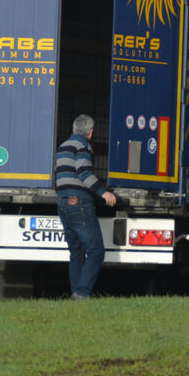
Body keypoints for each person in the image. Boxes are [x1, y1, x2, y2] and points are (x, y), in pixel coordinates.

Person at [54, 114, 117, 299]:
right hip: (79, 203)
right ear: (90, 133)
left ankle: (76, 293)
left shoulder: (63, 146)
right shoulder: (83, 146)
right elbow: (83, 172)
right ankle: (82, 292)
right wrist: (103, 193)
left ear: (73, 129)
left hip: (63, 203)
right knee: (96, 251)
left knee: (76, 252)